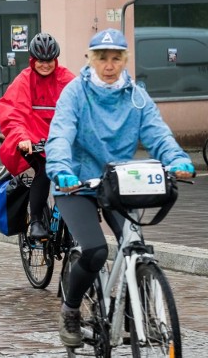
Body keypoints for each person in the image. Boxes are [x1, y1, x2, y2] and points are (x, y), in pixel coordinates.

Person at [45, 28, 195, 347]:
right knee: (96, 250)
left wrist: (177, 159)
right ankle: (71, 310)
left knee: (135, 244)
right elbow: (60, 135)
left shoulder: (135, 96)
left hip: (119, 184)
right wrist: (61, 171)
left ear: (124, 60)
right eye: (102, 58)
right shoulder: (75, 93)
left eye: (116, 58)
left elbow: (157, 134)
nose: (109, 65)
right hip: (76, 184)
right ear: (91, 60)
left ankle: (137, 314)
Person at [0, 33, 75, 239]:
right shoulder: (24, 80)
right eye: (41, 60)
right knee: (44, 170)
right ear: (33, 60)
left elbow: (82, 107)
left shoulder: (67, 79)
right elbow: (14, 112)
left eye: (49, 60)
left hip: (59, 138)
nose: (45, 65)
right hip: (32, 140)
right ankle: (37, 221)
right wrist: (23, 138)